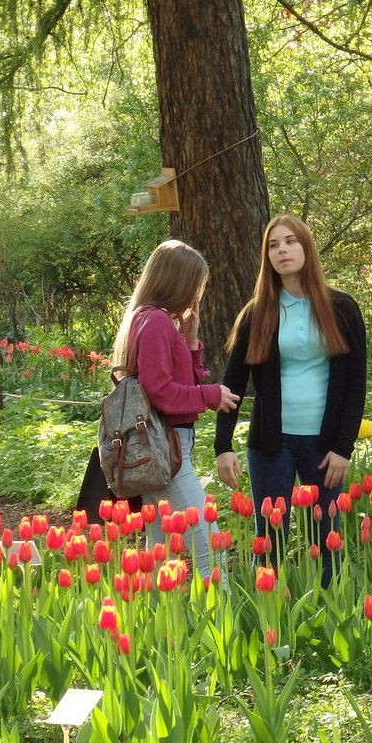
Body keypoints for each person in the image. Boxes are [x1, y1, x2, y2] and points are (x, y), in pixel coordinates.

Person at [215, 214, 367, 589]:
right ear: (267, 256)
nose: (282, 250)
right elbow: (231, 385)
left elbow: (355, 384)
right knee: (269, 540)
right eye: (273, 245)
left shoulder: (342, 308)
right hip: (271, 444)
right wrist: (223, 446)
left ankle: (330, 619)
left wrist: (343, 448)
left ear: (306, 248)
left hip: (325, 446)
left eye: (290, 241)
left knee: (325, 537)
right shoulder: (257, 313)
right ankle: (272, 626)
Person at [112, 240, 238, 583]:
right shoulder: (155, 323)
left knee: (160, 551)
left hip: (158, 448)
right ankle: (221, 627)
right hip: (166, 452)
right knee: (209, 546)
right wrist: (212, 395)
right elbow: (161, 392)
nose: (196, 294)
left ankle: (162, 630)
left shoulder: (148, 320)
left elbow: (176, 379)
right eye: (195, 285)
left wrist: (191, 342)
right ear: (177, 282)